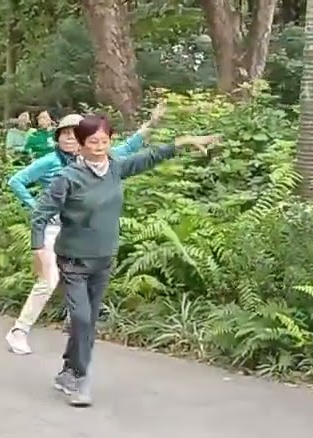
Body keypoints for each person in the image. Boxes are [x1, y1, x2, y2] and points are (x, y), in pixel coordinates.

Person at [30, 114, 219, 407]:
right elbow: (40, 216)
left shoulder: (115, 167)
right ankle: (80, 378)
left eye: (105, 141)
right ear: (80, 145)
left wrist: (184, 142)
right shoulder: (68, 179)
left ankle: (68, 369)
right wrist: (38, 252)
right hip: (73, 260)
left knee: (88, 322)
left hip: (103, 258)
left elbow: (150, 156)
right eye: (93, 142)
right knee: (80, 318)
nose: (99, 147)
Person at [4, 103, 166, 356]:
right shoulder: (50, 161)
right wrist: (37, 206)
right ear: (57, 137)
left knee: (82, 282)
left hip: (80, 233)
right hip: (52, 229)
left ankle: (75, 335)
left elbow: (129, 147)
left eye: (74, 133)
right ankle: (19, 331)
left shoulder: (97, 158)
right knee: (48, 281)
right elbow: (16, 180)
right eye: (64, 133)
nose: (69, 138)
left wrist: (153, 123)